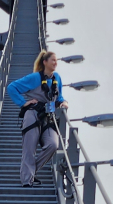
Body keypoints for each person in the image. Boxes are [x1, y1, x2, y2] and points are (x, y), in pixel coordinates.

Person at [7, 50, 68, 186]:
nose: (55, 63)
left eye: (56, 60)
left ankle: (30, 172)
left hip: (48, 116)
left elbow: (59, 97)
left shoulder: (57, 77)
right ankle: (26, 180)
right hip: (33, 114)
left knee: (53, 144)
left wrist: (64, 102)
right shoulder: (35, 78)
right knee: (30, 147)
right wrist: (23, 103)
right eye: (53, 60)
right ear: (45, 62)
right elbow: (12, 87)